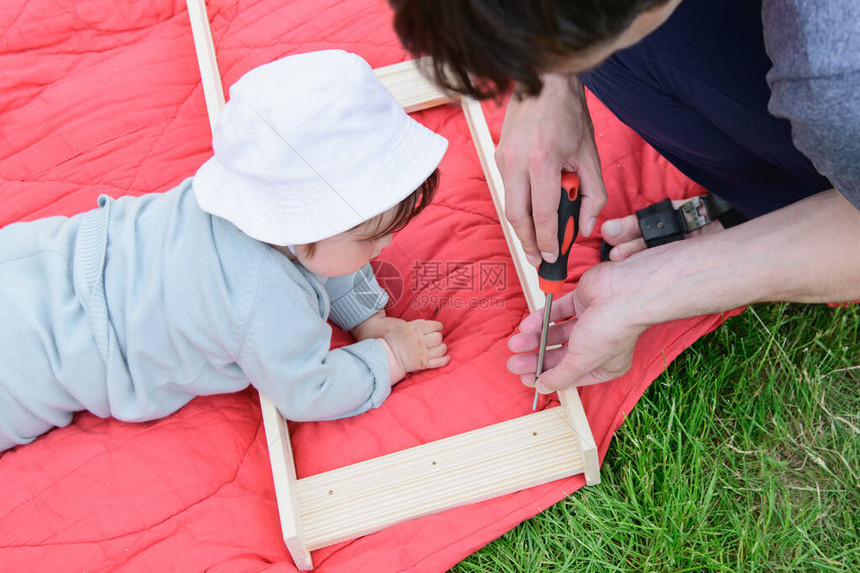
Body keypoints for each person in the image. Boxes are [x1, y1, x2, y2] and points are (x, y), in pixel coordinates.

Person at [391, 0, 860, 393]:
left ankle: (812, 204)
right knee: (617, 55)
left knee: (623, 54)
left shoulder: (835, 74)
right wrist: (551, 86)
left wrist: (658, 287)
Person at [0, 50, 451, 451]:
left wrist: (368, 317)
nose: (387, 243)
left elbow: (326, 256)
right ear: (302, 225)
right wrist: (392, 357)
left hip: (39, 259)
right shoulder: (264, 298)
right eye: (370, 238)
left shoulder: (249, 192)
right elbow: (308, 391)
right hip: (33, 364)